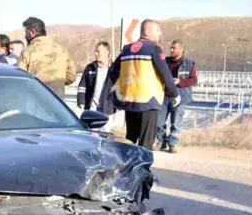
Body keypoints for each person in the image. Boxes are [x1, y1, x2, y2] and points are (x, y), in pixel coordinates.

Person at [110, 19, 180, 150]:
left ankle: (128, 168)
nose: (160, 34)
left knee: (130, 139)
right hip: (149, 102)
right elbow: (165, 74)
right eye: (158, 30)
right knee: (145, 144)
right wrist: (174, 94)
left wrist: (124, 87)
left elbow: (113, 72)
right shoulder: (153, 49)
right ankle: (142, 170)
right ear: (147, 32)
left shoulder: (126, 50)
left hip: (130, 101)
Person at [16, 17, 77, 99]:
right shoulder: (62, 50)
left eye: (26, 33)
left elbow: (20, 79)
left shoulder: (27, 52)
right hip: (57, 101)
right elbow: (71, 76)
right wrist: (57, 83)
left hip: (35, 99)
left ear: (33, 32)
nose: (25, 36)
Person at [155, 39, 197, 153]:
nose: (172, 50)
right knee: (159, 121)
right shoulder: (165, 61)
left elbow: (193, 80)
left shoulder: (189, 63)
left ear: (181, 50)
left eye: (174, 48)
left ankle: (172, 143)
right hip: (164, 96)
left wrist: (180, 82)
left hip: (179, 97)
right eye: (171, 48)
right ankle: (160, 141)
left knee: (176, 122)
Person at [77, 41, 113, 112]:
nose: (95, 54)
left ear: (107, 52)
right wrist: (81, 102)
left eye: (98, 51)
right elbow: (82, 86)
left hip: (108, 111)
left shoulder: (115, 69)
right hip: (91, 109)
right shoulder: (90, 68)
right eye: (95, 51)